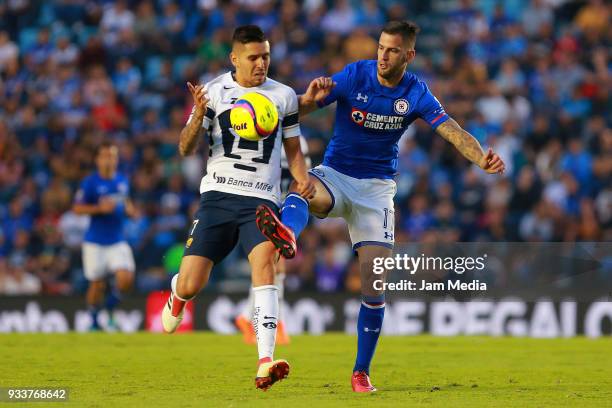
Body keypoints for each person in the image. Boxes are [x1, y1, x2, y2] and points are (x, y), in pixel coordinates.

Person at [256, 21, 506, 392]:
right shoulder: (356, 75)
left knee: (374, 287)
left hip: (376, 193)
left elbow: (451, 129)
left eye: (391, 50)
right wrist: (308, 97)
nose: (382, 56)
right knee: (304, 187)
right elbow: (302, 109)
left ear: (409, 55)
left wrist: (480, 157)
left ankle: (361, 372)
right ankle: (287, 232)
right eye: (380, 47)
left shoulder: (416, 92)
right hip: (336, 175)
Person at [161, 25, 314, 391]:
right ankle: (177, 294)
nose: (261, 63)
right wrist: (198, 115)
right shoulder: (213, 92)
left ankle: (265, 361)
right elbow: (184, 148)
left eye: (265, 56)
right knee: (192, 283)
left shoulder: (283, 96)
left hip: (261, 199)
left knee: (265, 266)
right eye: (253, 57)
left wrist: (301, 178)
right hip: (217, 196)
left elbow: (292, 149)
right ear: (235, 58)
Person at [235, 136, 310, 345]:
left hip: (282, 210)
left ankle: (249, 317)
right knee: (274, 267)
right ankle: (273, 323)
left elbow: (302, 179)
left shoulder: (288, 139)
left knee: (275, 268)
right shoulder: (294, 141)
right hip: (269, 209)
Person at [73, 142, 137, 331]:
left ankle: (109, 308)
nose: (109, 160)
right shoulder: (90, 183)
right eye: (105, 156)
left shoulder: (122, 181)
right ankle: (94, 321)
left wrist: (131, 210)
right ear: (97, 160)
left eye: (112, 156)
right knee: (96, 285)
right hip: (95, 241)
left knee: (126, 279)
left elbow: (126, 203)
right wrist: (98, 209)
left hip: (117, 239)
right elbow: (77, 208)